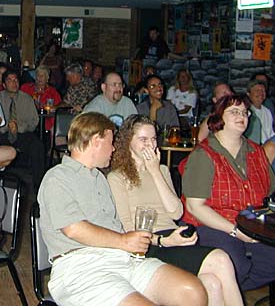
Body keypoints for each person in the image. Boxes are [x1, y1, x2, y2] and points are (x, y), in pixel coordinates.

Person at [38, 112, 208, 306]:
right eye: (111, 142)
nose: (113, 149)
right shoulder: (58, 177)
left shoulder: (99, 179)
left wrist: (156, 240)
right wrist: (124, 241)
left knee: (192, 291)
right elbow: (74, 229)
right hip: (80, 266)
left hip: (121, 259)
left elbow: (122, 228)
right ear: (96, 141)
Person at [108, 115, 243, 306]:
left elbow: (176, 212)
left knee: (211, 283)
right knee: (221, 260)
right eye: (143, 139)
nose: (150, 144)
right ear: (128, 141)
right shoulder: (117, 178)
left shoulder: (161, 170)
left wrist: (154, 171)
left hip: (173, 236)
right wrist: (164, 241)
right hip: (149, 245)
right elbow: (128, 229)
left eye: (154, 139)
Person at [180, 95, 275, 291]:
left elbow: (271, 193)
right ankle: (223, 289)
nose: (242, 116)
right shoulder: (204, 154)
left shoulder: (256, 151)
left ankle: (223, 291)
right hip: (212, 224)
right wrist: (236, 231)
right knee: (236, 265)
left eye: (245, 112)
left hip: (251, 223)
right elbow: (195, 207)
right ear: (219, 117)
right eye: (234, 111)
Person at [0, 70, 45, 191]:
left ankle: (38, 186)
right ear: (4, 84)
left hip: (22, 133)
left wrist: (19, 127)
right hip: (3, 133)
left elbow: (34, 121)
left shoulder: (26, 99)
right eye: (10, 81)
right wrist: (7, 126)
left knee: (37, 146)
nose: (14, 83)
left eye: (16, 80)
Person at [20, 65, 61, 132]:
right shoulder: (25, 88)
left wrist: (54, 107)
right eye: (37, 75)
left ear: (47, 78)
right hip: (27, 120)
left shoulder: (53, 92)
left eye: (42, 76)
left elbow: (59, 106)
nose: (39, 78)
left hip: (47, 122)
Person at [244, 80, 274, 145]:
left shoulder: (267, 111)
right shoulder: (245, 111)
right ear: (248, 93)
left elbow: (271, 133)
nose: (261, 93)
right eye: (257, 90)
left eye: (263, 91)